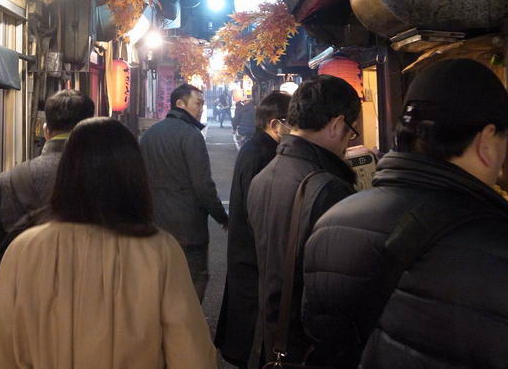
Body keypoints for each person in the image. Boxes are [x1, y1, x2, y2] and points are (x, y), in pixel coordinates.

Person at [302, 59, 508, 367]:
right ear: (486, 141)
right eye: (506, 142)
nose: (506, 154)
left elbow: (320, 337)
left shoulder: (330, 224)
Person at [0, 118, 217, 369]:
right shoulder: (160, 251)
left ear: (67, 174)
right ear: (135, 178)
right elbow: (191, 355)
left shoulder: (24, 250)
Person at [247, 74, 361, 365]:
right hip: (308, 349)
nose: (348, 142)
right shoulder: (327, 188)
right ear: (337, 124)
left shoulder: (264, 175)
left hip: (273, 337)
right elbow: (336, 296)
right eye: (351, 132)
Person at [215, 91, 291, 368]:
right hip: (253, 254)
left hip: (245, 250)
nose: (294, 130)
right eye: (291, 123)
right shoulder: (263, 154)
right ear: (275, 124)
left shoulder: (255, 149)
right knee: (253, 327)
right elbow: (257, 212)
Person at [0, 89, 95, 263]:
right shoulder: (106, 176)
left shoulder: (12, 179)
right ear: (91, 129)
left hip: (27, 276)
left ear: (46, 130)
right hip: (90, 276)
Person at [140, 83, 228, 301]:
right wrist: (221, 216)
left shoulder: (150, 135)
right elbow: (203, 185)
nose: (201, 109)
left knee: (160, 281)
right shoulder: (191, 135)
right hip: (188, 227)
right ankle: (188, 321)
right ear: (180, 103)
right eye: (198, 104)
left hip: (155, 223)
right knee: (193, 280)